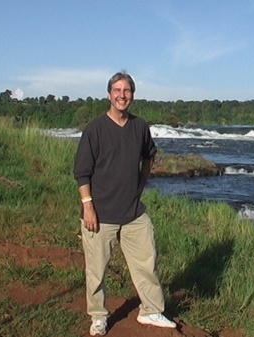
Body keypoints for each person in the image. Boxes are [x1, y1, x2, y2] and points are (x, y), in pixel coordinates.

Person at [73, 71, 176, 336]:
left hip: (133, 213)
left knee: (147, 261)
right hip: (101, 213)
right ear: (109, 95)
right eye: (117, 90)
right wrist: (88, 207)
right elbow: (82, 173)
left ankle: (151, 310)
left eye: (127, 91)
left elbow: (148, 156)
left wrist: (140, 186)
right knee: (96, 271)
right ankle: (98, 316)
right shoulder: (95, 129)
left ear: (132, 95)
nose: (122, 95)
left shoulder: (140, 126)